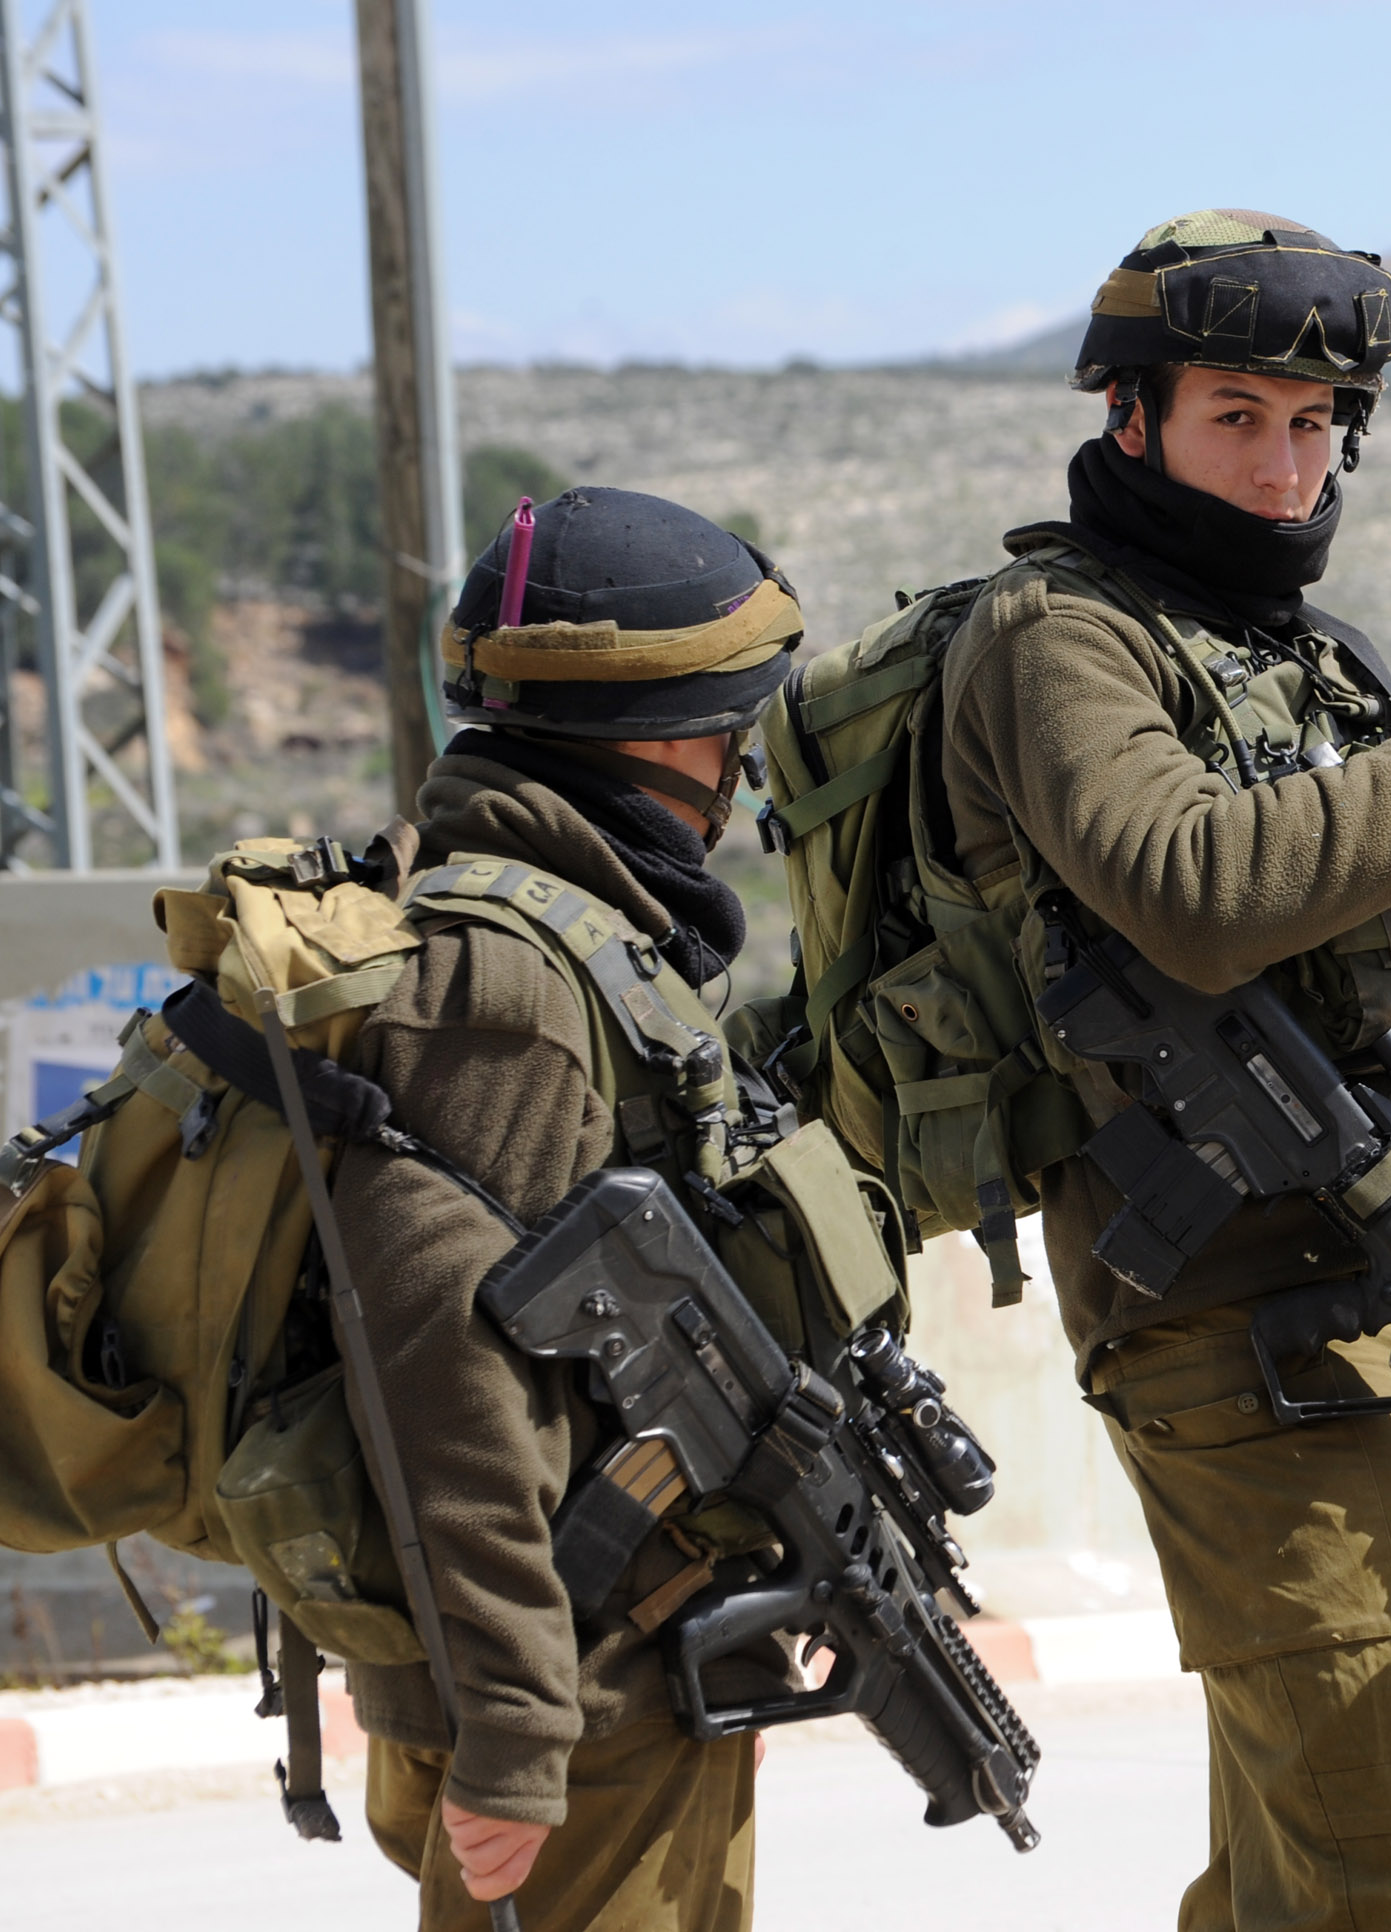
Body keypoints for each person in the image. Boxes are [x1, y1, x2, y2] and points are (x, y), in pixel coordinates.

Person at [939, 208, 1391, 1931]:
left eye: (1316, 425)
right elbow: (1193, 892)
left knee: (1312, 1865)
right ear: (1131, 416)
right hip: (1236, 1330)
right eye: (1238, 417)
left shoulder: (1301, 670)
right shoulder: (1064, 635)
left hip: (1380, 1304)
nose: (1287, 468)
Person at [337, 487, 807, 1928]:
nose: (736, 771)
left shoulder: (577, 942)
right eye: (725, 727)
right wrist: (518, 1734)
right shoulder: (507, 981)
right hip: (584, 1682)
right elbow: (442, 1375)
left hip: (613, 1659)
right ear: (643, 736)